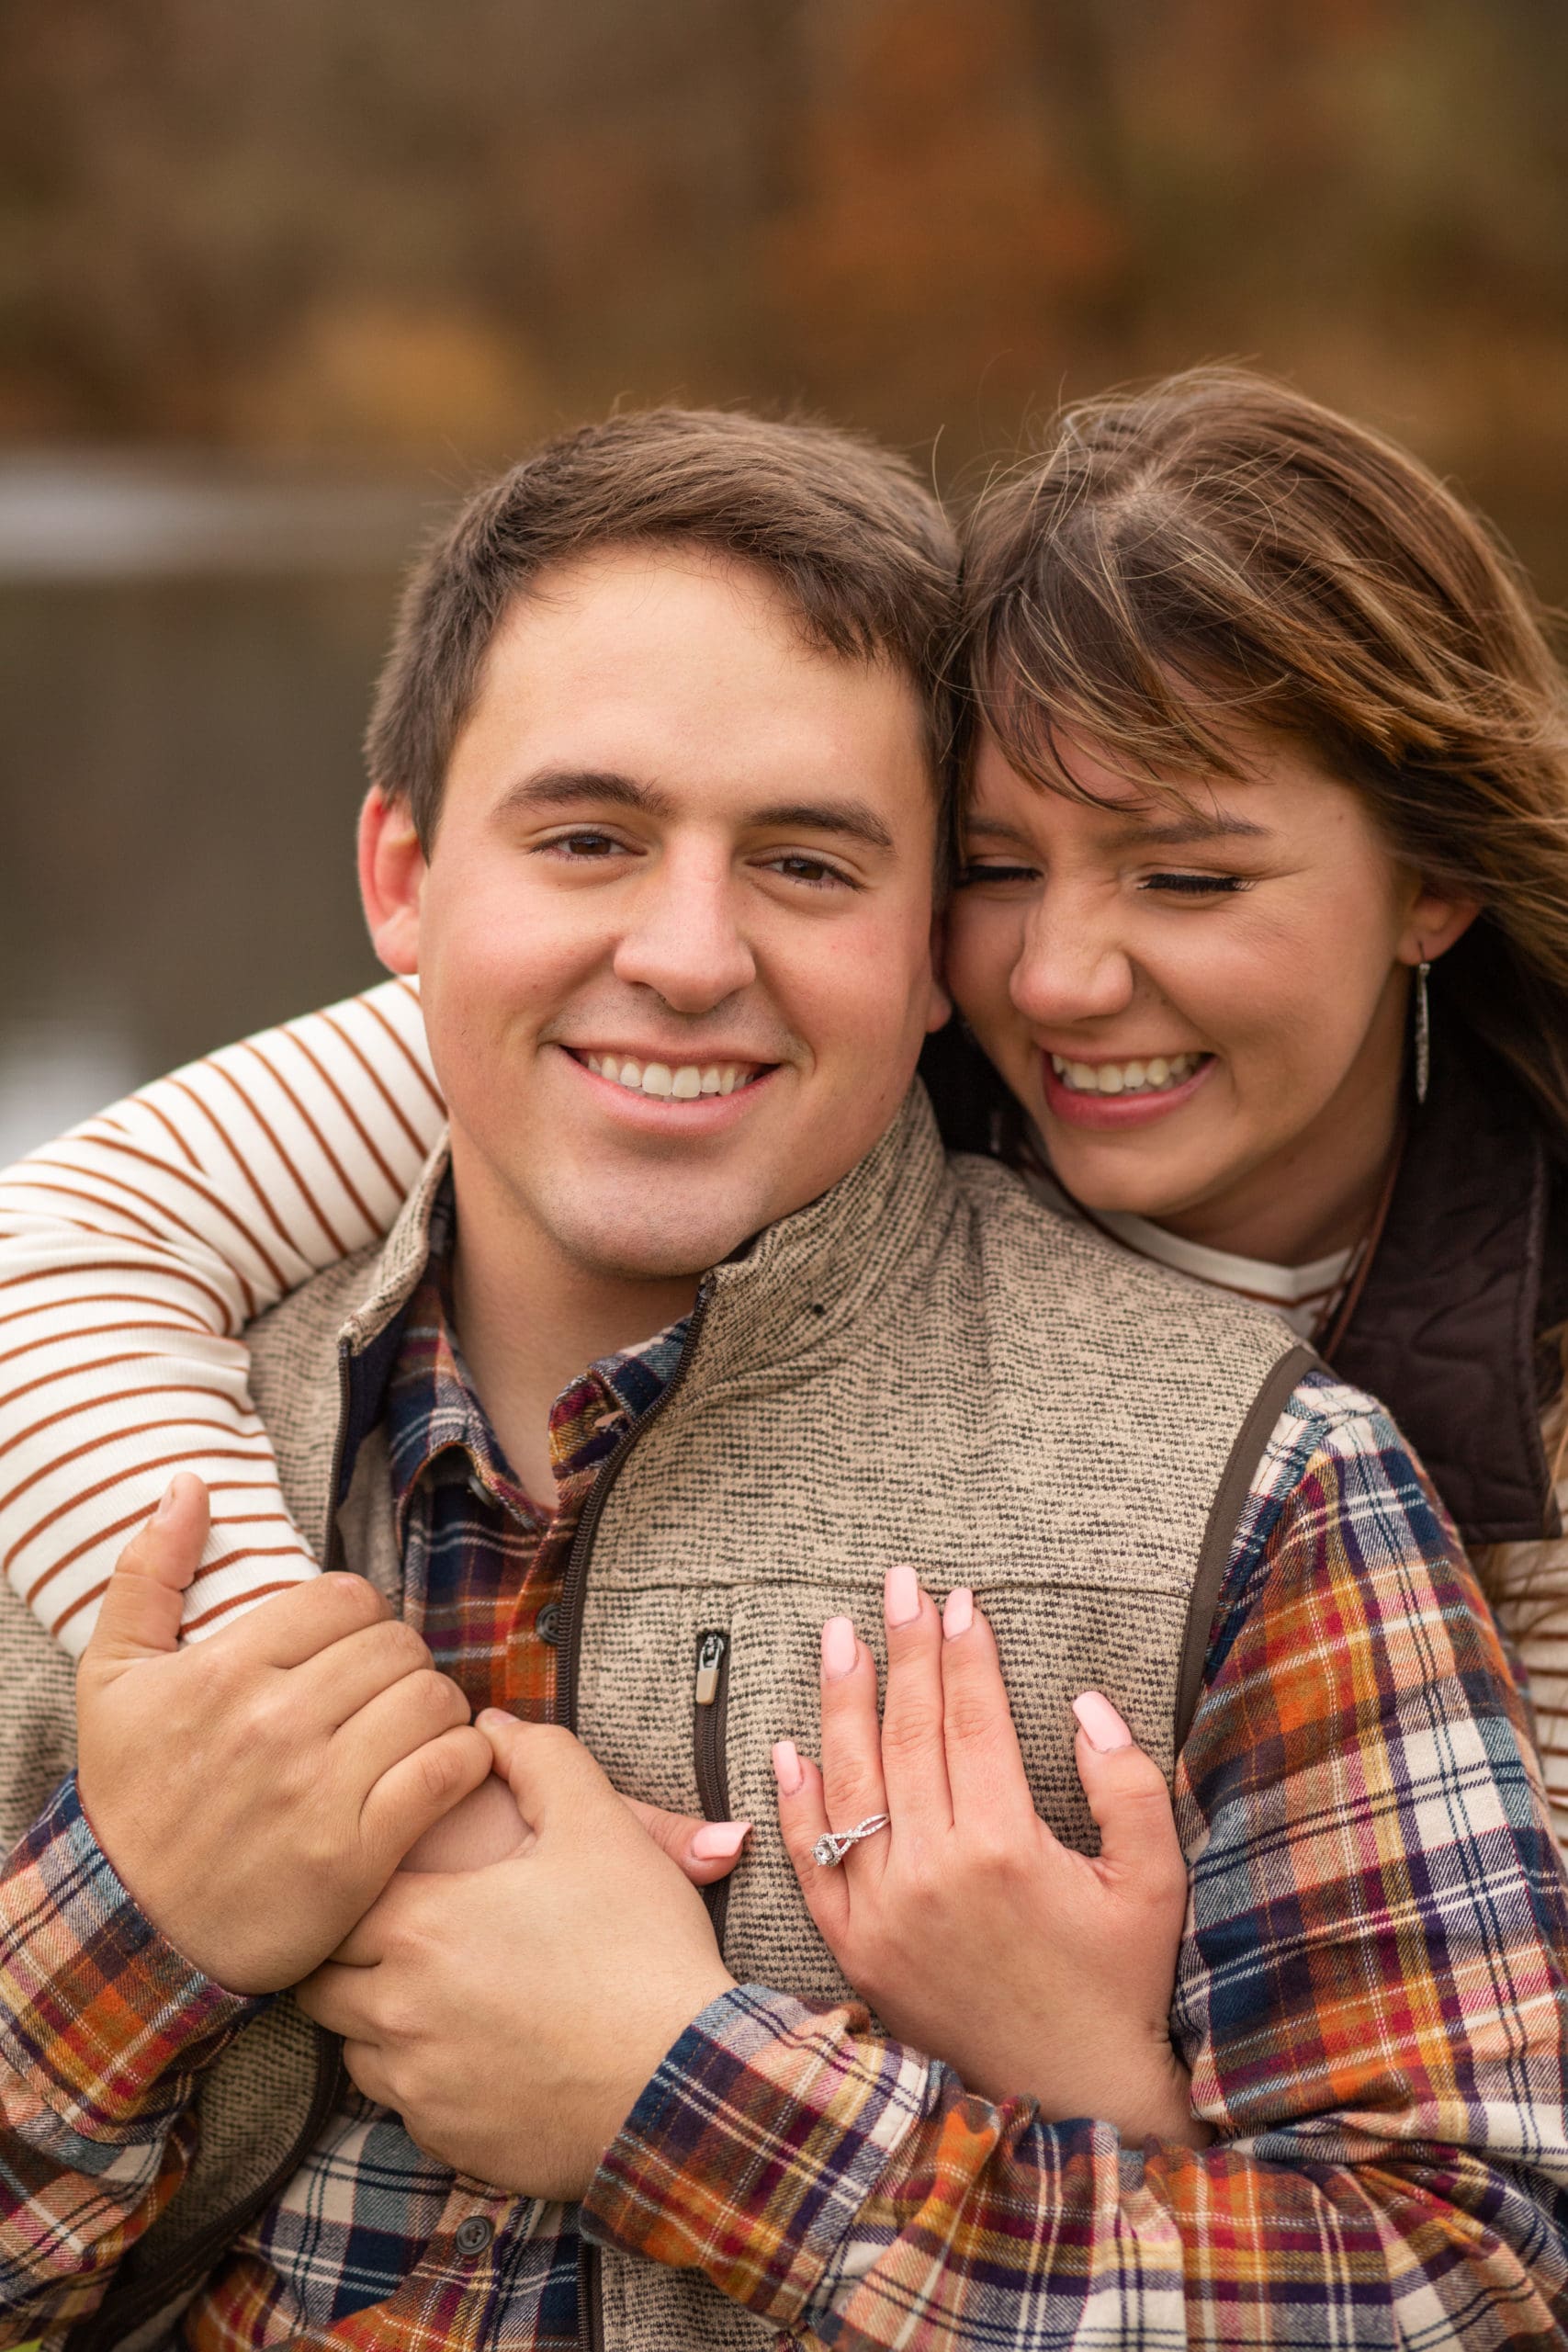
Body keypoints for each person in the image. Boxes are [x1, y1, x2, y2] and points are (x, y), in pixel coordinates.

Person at [0, 397, 1564, 2352]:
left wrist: (699, 2093)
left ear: (909, 955)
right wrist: (142, 1897)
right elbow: (69, 1224)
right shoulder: (134, 1431)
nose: (680, 948)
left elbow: (1472, 2289)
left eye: (809, 862)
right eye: (585, 834)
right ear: (401, 878)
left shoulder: (1266, 1489)